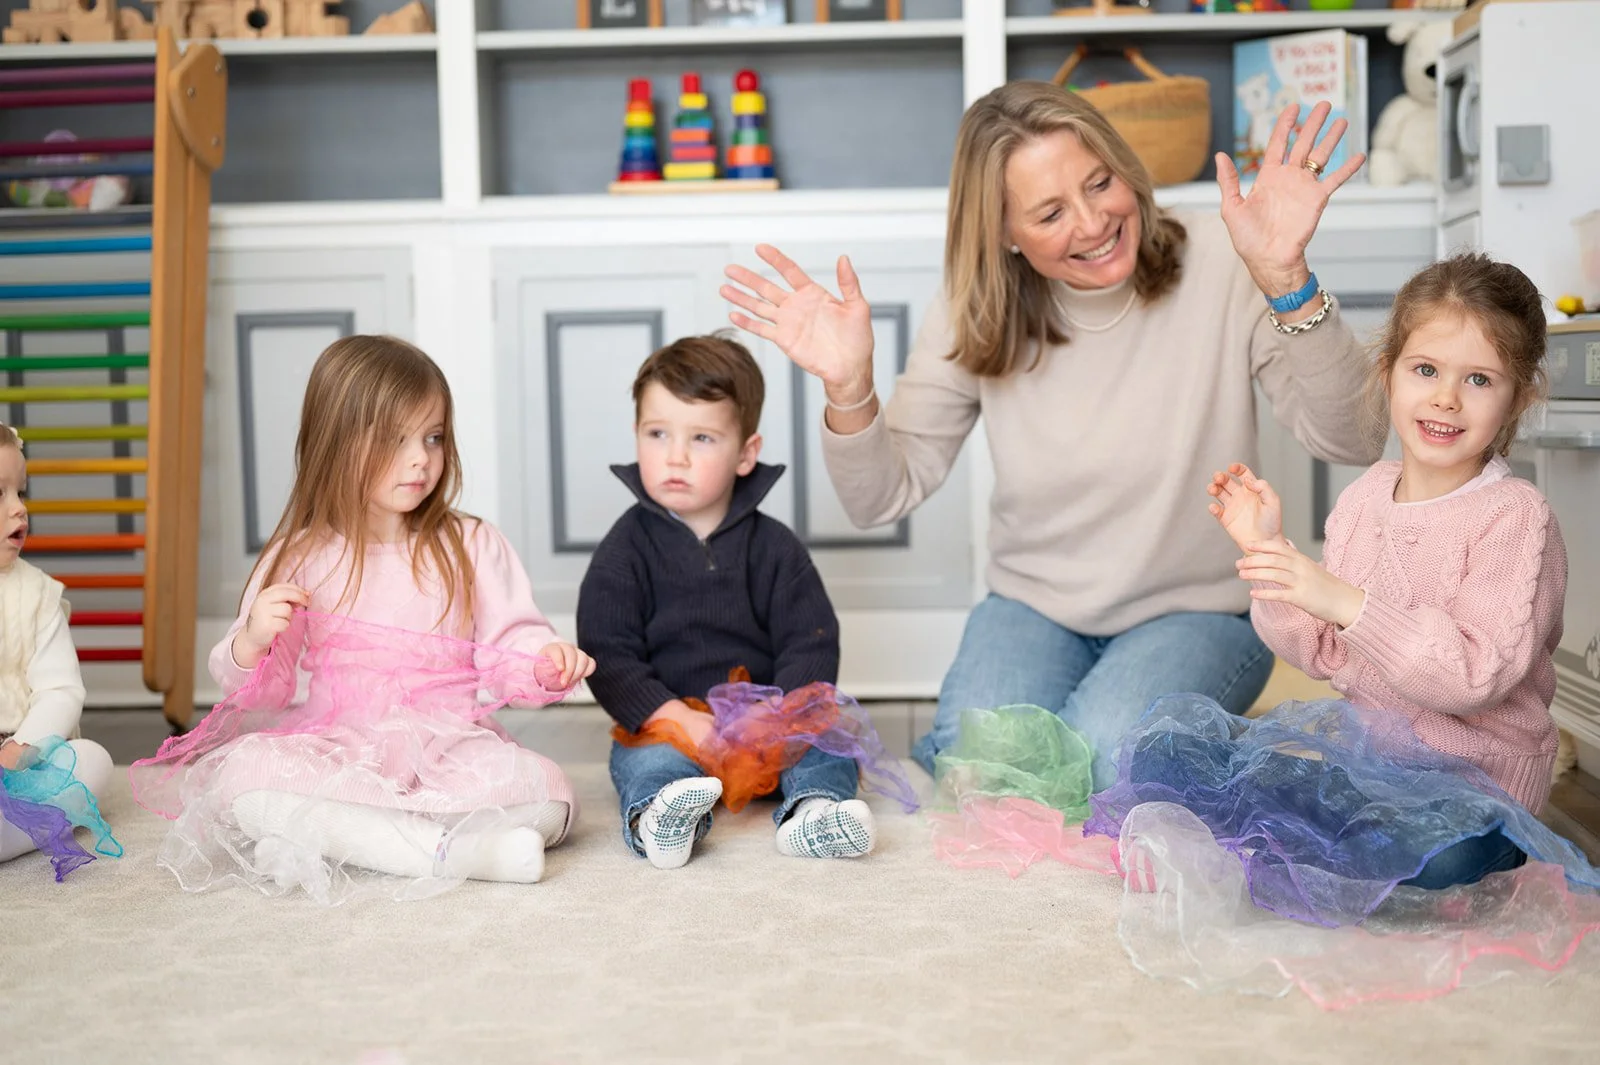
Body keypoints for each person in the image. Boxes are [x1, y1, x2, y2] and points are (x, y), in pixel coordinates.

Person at [721, 81, 1382, 785]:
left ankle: (1177, 747)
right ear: (1004, 232)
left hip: (1199, 611)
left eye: (1101, 183)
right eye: (1050, 212)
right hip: (1036, 607)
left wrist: (1287, 279)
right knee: (980, 768)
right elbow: (879, 498)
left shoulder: (1229, 257)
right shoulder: (976, 307)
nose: (1094, 221)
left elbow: (1355, 438)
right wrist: (850, 389)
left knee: (1099, 760)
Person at [132, 336, 593, 901]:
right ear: (336, 443)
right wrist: (253, 638)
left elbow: (511, 641)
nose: (421, 457)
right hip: (337, 742)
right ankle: (449, 852)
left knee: (548, 793)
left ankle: (375, 841)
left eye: (433, 436)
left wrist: (545, 662)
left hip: (451, 746)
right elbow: (263, 693)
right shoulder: (298, 555)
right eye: (395, 440)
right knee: (246, 781)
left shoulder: (471, 544)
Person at [1197, 252, 1567, 889]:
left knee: (1434, 859)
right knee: (1228, 783)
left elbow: (1471, 678)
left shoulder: (1516, 518)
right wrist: (1271, 555)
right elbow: (1320, 651)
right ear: (1389, 373)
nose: (1446, 399)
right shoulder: (1367, 496)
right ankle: (1343, 837)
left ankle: (1366, 848)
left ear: (1518, 397)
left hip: (1476, 787)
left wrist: (1344, 600)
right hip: (1374, 767)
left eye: (1479, 380)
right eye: (1426, 369)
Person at [578, 334, 878, 870]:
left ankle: (815, 813)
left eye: (702, 438)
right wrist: (671, 714)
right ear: (636, 435)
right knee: (645, 759)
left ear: (746, 454)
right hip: (674, 721)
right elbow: (608, 651)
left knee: (828, 740)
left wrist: (777, 710)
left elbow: (811, 639)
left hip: (765, 722)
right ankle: (661, 820)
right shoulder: (625, 550)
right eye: (658, 433)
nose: (675, 456)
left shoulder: (775, 548)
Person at [0, 422, 119, 877]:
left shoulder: (38, 594)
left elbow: (61, 690)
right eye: (0, 494)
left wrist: (23, 747)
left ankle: (14, 832)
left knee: (93, 760)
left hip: (25, 761)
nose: (19, 510)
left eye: (21, 492)